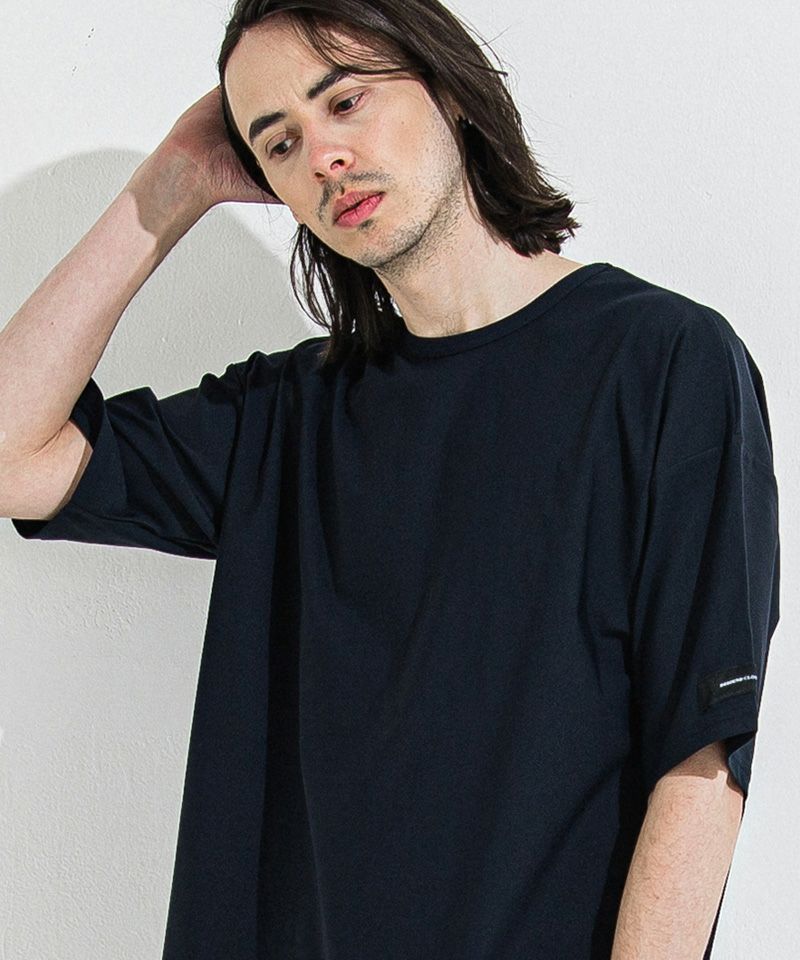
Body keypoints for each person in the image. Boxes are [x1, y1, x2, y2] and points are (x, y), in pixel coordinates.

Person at [0, 1, 780, 958]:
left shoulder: (663, 363)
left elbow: (702, 754)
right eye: (278, 143)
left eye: (345, 101)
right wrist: (176, 180)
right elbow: (12, 454)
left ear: (449, 86)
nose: (323, 158)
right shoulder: (287, 417)